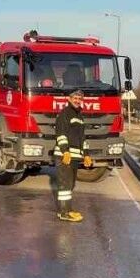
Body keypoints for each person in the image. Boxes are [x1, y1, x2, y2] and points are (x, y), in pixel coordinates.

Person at [53, 90, 91, 223]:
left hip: (75, 157)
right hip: (64, 156)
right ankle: (64, 213)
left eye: (80, 98)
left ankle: (68, 210)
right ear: (69, 99)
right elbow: (61, 134)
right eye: (75, 98)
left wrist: (86, 155)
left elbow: (82, 137)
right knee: (65, 185)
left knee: (70, 185)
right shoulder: (64, 114)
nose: (77, 100)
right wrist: (65, 151)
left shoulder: (80, 116)